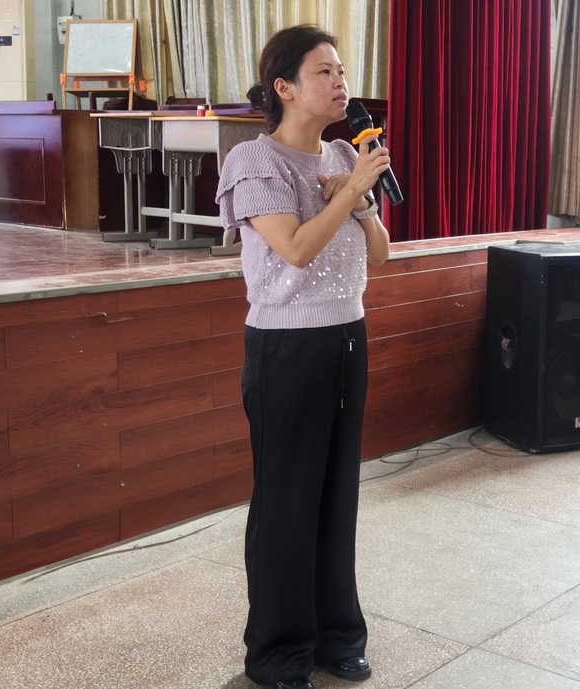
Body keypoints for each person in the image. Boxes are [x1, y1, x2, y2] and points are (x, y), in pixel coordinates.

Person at [215, 24, 391, 689]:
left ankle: (337, 637)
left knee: (336, 496)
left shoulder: (345, 153)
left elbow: (381, 254)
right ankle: (278, 654)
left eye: (341, 70)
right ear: (284, 87)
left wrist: (361, 199)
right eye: (324, 71)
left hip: (348, 336)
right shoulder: (253, 160)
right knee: (288, 501)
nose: (341, 81)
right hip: (286, 344)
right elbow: (292, 249)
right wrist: (347, 192)